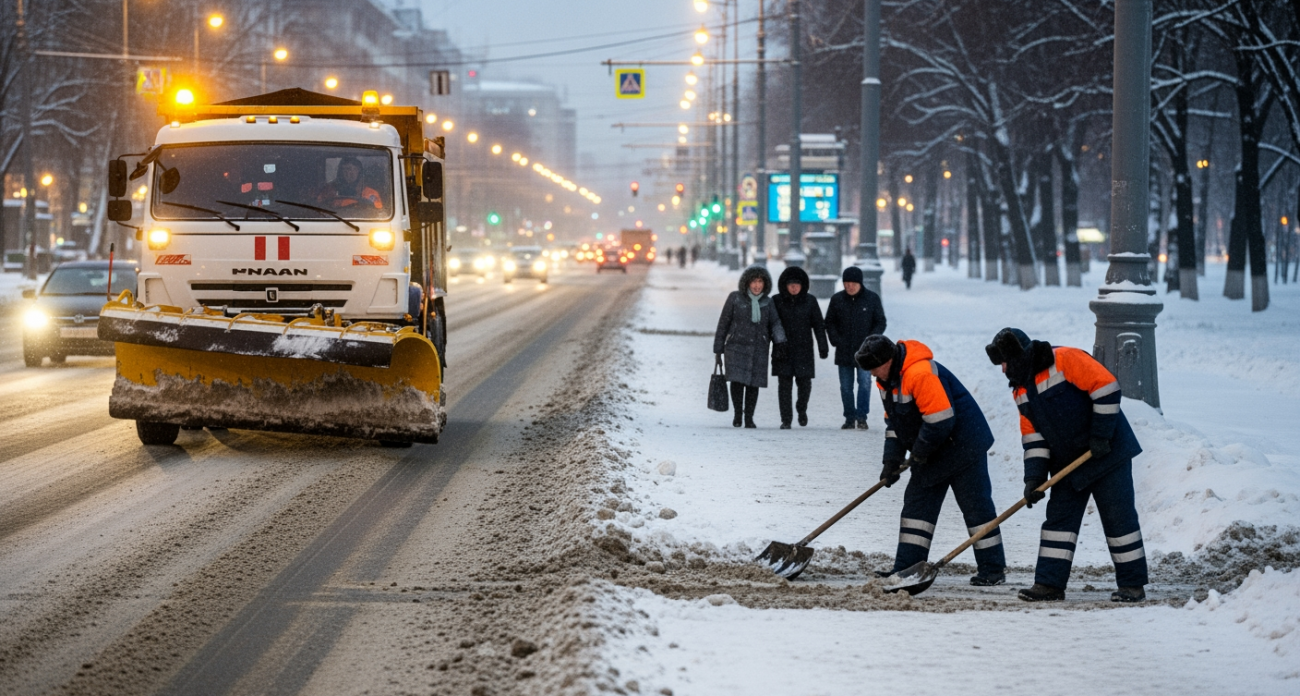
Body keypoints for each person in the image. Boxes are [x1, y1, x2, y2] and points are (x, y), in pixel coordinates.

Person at [985, 328, 1148, 603]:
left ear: (1015, 358)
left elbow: (1106, 387)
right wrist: (1033, 479)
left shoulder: (1064, 359)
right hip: (1069, 462)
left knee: (1119, 518)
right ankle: (1049, 584)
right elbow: (1033, 436)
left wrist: (1100, 436)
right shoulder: (1021, 390)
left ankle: (1132, 585)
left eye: (1003, 363)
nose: (1002, 370)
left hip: (1108, 453)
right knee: (1059, 520)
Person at [857, 335, 1007, 586]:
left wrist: (919, 452)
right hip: (932, 448)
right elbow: (895, 425)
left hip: (964, 446)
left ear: (888, 360)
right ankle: (907, 567)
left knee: (976, 508)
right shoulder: (887, 381)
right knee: (917, 507)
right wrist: (891, 461)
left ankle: (992, 570)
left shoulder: (919, 373)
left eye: (874, 367)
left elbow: (940, 419)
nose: (872, 374)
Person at [713, 265, 786, 428]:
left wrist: (780, 342)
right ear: (747, 282)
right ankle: (738, 414)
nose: (757, 285)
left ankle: (749, 417)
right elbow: (723, 323)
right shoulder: (735, 298)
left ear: (765, 284)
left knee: (754, 385)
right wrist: (718, 347)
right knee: (737, 382)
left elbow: (775, 323)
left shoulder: (768, 302)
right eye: (754, 281)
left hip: (758, 349)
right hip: (736, 346)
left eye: (760, 281)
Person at [824, 266, 886, 430]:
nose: (850, 286)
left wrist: (871, 340)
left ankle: (862, 416)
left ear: (860, 283)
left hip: (865, 352)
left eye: (853, 283)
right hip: (844, 351)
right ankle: (849, 417)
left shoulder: (871, 299)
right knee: (846, 387)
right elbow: (829, 322)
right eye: (847, 283)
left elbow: (880, 321)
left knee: (865, 383)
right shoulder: (837, 300)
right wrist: (836, 340)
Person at [771, 266, 829, 429]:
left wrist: (822, 346)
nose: (794, 287)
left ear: (803, 285)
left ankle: (801, 409)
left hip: (804, 350)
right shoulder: (776, 301)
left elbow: (818, 325)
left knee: (805, 385)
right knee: (784, 386)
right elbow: (770, 326)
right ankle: (786, 419)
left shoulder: (810, 301)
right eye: (791, 284)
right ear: (785, 285)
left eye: (797, 284)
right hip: (782, 349)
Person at [316, 156, 383, 211]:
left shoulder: (370, 193)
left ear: (358, 171)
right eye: (345, 169)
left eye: (352, 169)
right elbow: (317, 208)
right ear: (340, 171)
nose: (349, 173)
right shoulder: (329, 190)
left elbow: (378, 214)